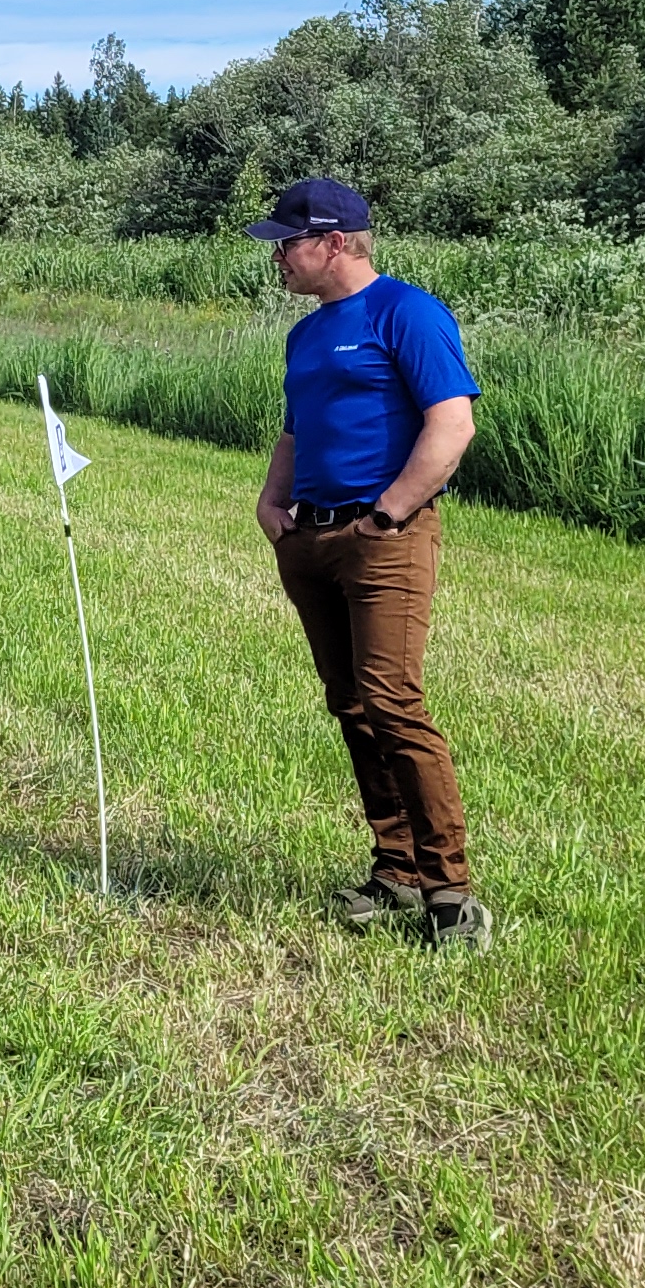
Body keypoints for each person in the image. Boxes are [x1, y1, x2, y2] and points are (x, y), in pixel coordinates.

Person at [247, 176, 492, 950]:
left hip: (384, 539)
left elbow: (452, 425)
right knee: (351, 705)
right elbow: (296, 430)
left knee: (393, 703)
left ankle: (450, 893)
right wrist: (271, 501)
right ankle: (396, 871)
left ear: (333, 243)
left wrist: (388, 514)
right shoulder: (306, 335)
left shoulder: (407, 313)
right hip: (309, 540)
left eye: (286, 244)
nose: (277, 257)